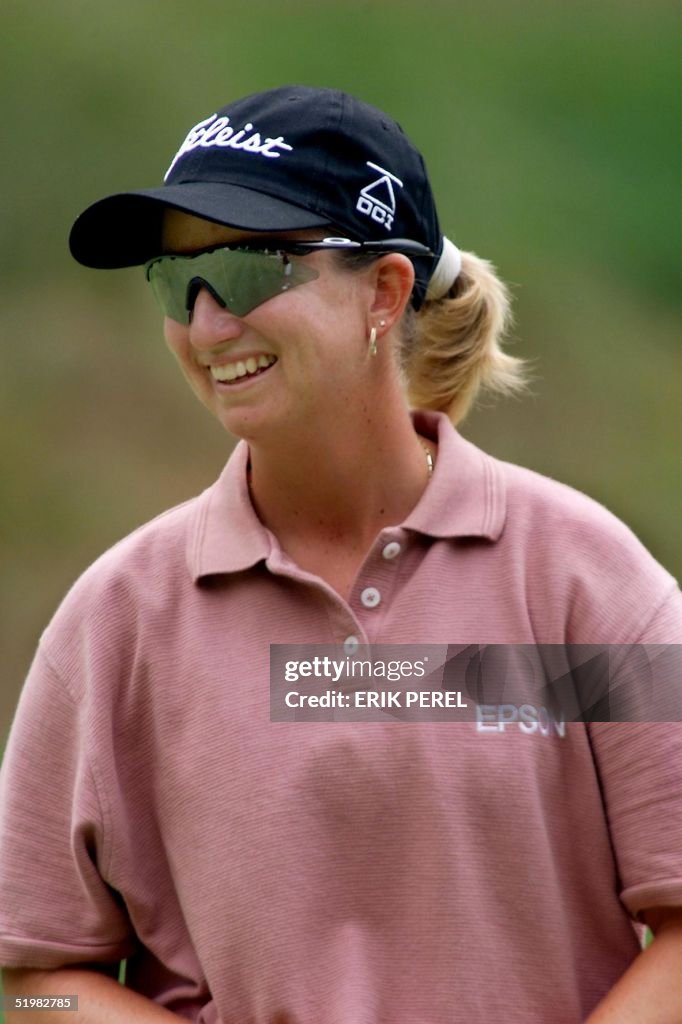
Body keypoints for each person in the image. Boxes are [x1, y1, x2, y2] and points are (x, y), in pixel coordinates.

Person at [0, 85, 681, 1024]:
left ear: (386, 291)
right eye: (175, 281)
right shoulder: (116, 624)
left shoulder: (583, 583)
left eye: (244, 272)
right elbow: (37, 986)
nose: (206, 326)